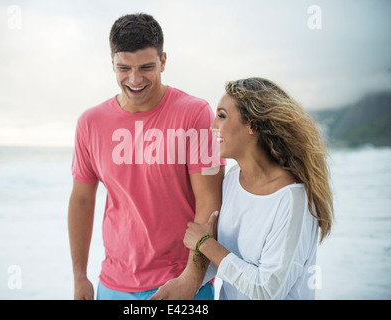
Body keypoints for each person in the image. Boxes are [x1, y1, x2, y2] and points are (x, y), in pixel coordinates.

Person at [68, 13, 225, 300]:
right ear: (112, 63)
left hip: (182, 285)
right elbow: (81, 199)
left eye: (147, 67)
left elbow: (210, 201)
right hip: (113, 285)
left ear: (163, 61)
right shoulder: (90, 123)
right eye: (124, 68)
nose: (135, 79)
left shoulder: (196, 113)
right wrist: (80, 276)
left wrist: (191, 278)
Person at [183, 77, 334, 300]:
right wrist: (185, 281)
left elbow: (266, 290)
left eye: (222, 116)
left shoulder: (294, 199)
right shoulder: (233, 179)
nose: (213, 126)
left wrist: (205, 244)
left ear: (254, 125)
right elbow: (229, 261)